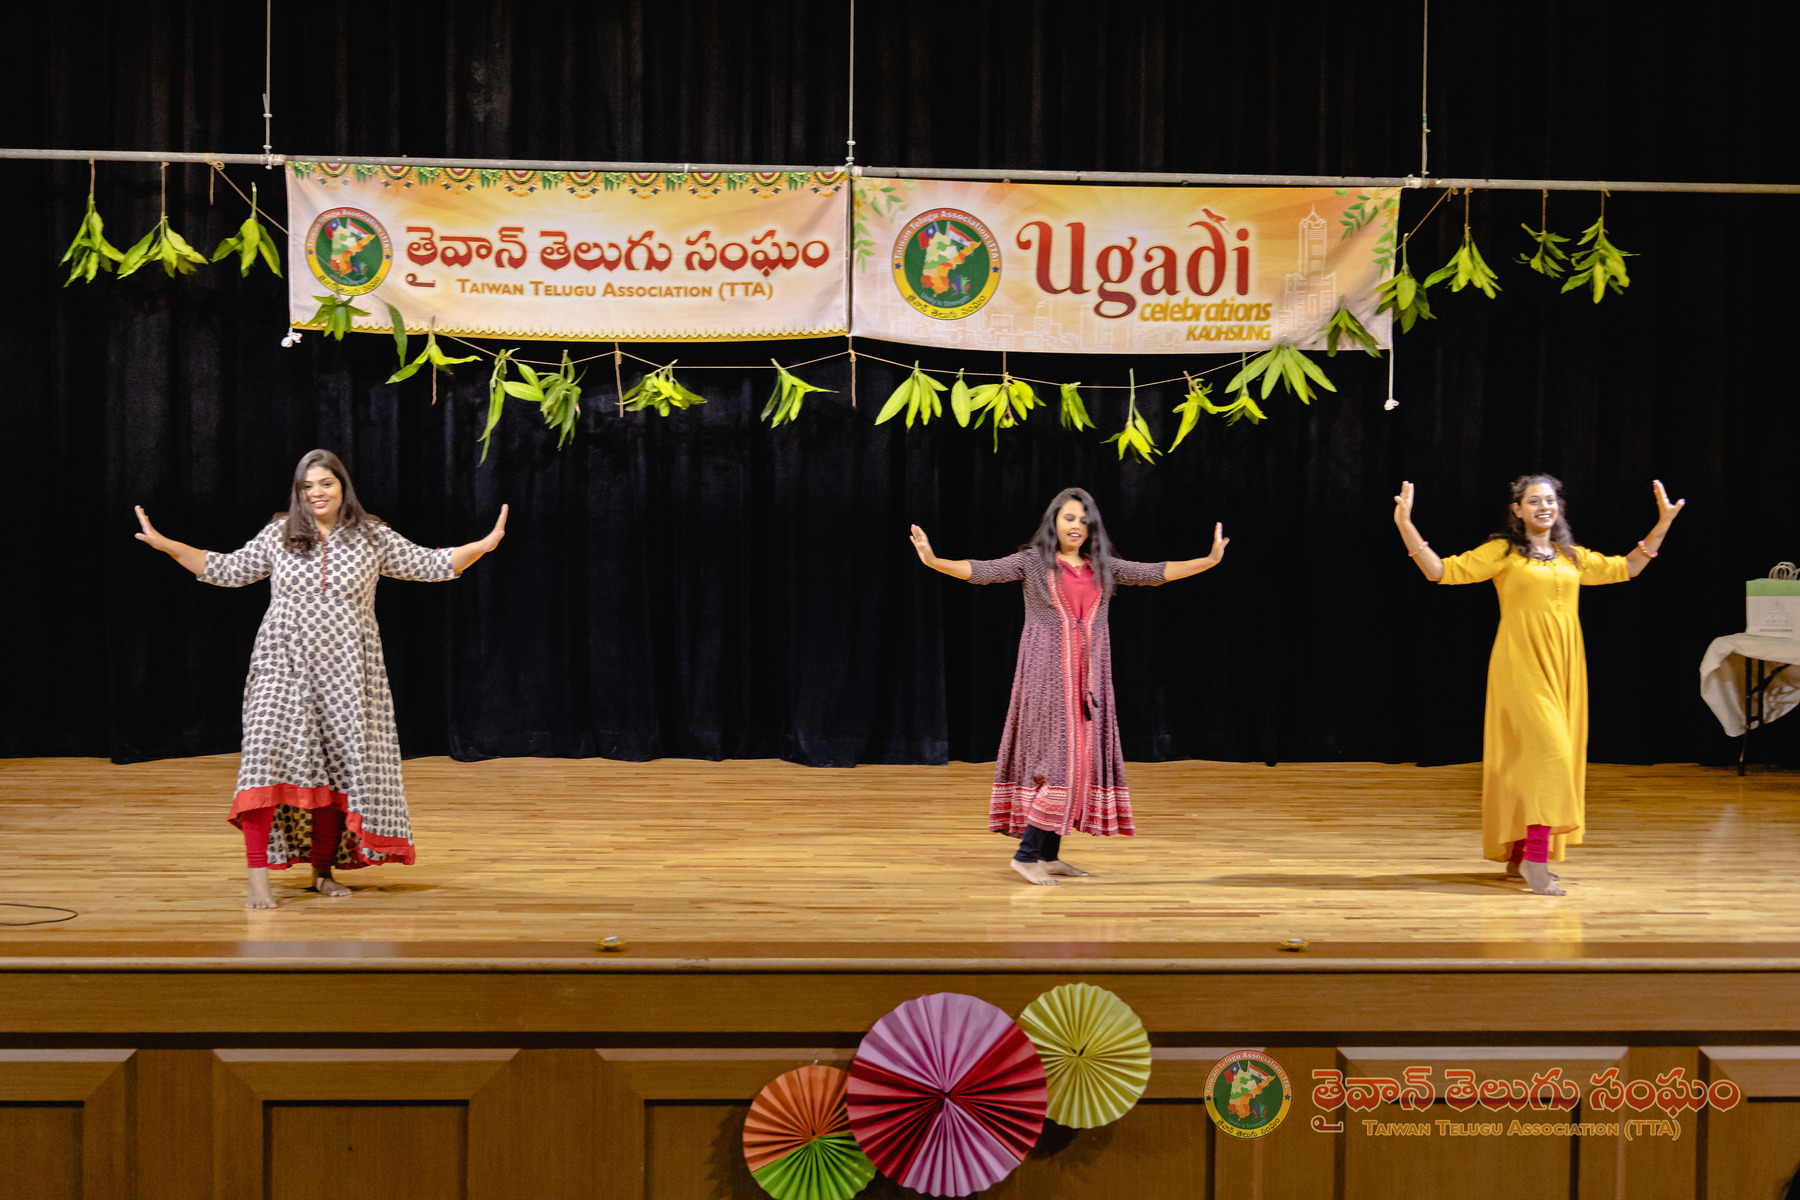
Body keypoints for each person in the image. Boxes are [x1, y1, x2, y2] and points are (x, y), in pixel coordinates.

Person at [133, 449, 507, 909]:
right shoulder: (280, 534)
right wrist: (166, 544)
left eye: (324, 484)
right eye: (306, 486)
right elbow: (227, 569)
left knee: (333, 772)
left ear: (342, 487)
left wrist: (484, 545)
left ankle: (322, 872)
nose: (316, 493)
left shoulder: (372, 536)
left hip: (349, 675)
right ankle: (257, 879)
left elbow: (431, 565)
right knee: (263, 764)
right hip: (281, 667)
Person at [909, 488, 1228, 885]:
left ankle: (1048, 854)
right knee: (1057, 763)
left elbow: (1155, 572)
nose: (1076, 526)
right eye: (1068, 518)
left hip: (1089, 682)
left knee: (1080, 761)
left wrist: (1210, 561)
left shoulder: (1103, 566)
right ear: (1053, 523)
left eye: (1083, 519)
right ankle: (1026, 856)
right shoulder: (1033, 562)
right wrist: (933, 560)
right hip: (1045, 677)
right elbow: (983, 571)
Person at [1393, 475, 1684, 896]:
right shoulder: (1504, 552)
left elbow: (1629, 567)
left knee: (1533, 763)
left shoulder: (1572, 557)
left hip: (1565, 668)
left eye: (1549, 500)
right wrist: (1406, 523)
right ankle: (1534, 858)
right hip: (1521, 668)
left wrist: (1664, 522)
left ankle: (1516, 855)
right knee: (1550, 756)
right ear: (1517, 510)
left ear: (1559, 506)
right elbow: (1441, 571)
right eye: (1533, 501)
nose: (1543, 507)